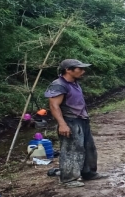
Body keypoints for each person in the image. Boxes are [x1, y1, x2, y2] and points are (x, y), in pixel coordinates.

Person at [44, 59, 107, 188]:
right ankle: (68, 178)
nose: (83, 71)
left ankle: (88, 173)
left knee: (88, 148)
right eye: (80, 69)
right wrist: (62, 124)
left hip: (82, 119)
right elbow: (54, 105)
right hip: (70, 121)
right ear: (68, 70)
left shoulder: (75, 83)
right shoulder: (59, 85)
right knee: (71, 150)